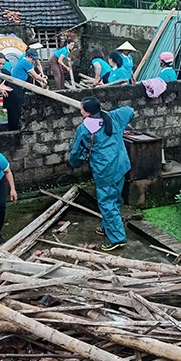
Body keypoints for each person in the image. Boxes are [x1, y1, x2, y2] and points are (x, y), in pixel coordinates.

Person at [69, 97, 135, 252]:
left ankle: (118, 238)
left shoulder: (84, 129)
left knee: (106, 203)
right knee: (115, 198)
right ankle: (108, 228)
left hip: (105, 170)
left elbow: (77, 153)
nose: (80, 110)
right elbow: (130, 111)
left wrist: (75, 164)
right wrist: (108, 113)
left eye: (81, 108)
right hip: (121, 165)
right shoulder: (113, 117)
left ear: (87, 112)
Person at [7, 49, 48, 131]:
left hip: (19, 86)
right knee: (16, 109)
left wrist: (41, 79)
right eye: (32, 59)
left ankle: (15, 127)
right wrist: (43, 80)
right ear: (28, 56)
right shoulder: (25, 62)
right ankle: (15, 129)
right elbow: (35, 76)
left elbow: (33, 76)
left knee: (17, 108)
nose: (33, 61)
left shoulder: (26, 63)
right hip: (15, 86)